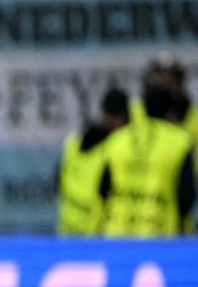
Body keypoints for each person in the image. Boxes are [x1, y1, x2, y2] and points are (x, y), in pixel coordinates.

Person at [99, 83, 196, 236]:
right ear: (171, 110)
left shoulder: (118, 139)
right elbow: (187, 197)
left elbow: (103, 190)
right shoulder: (180, 142)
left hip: (118, 234)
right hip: (161, 235)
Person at [56, 87, 128, 236]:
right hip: (94, 234)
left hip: (67, 228)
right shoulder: (114, 149)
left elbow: (57, 180)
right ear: (122, 117)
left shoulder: (74, 142)